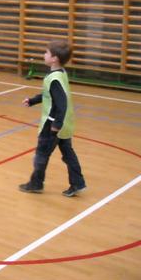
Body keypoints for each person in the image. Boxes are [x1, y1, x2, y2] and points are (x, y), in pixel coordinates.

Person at [19, 40, 87, 197]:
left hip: (53, 125)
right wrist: (33, 101)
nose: (44, 55)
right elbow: (48, 95)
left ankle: (36, 183)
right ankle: (77, 183)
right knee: (68, 154)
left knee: (41, 154)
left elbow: (61, 103)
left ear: (54, 58)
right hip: (65, 124)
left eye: (46, 53)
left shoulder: (54, 79)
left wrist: (56, 124)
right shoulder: (60, 73)